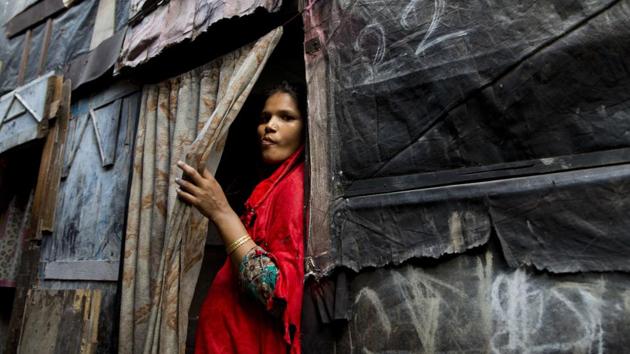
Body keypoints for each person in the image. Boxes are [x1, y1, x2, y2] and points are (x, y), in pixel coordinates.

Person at [175, 82, 306, 354]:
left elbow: (274, 291)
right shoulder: (272, 186)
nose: (269, 126)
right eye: (265, 118)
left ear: (307, 127)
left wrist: (221, 212)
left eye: (286, 117)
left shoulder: (295, 187)